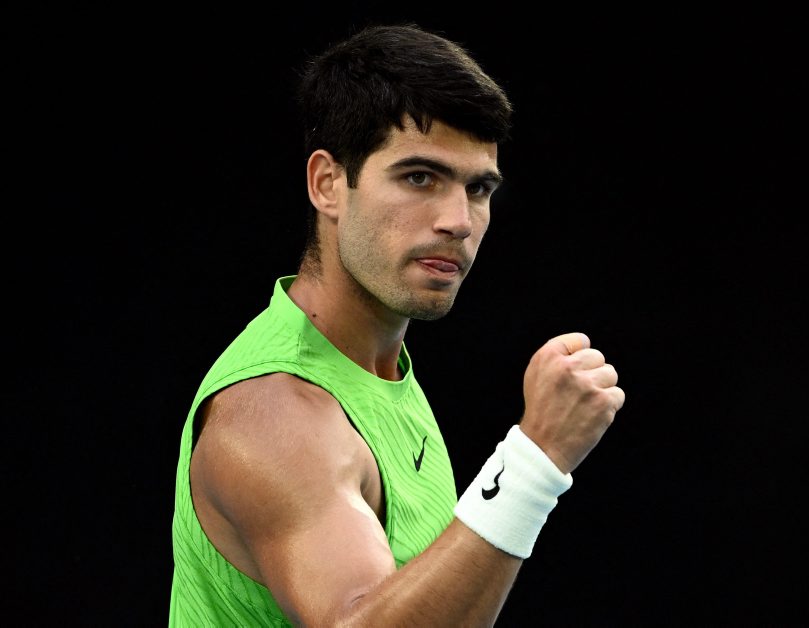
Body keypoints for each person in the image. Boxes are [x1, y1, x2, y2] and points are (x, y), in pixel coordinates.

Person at [169, 22, 626, 626]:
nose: (458, 221)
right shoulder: (276, 414)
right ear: (328, 184)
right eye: (419, 177)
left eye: (478, 188)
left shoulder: (375, 369)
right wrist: (534, 459)